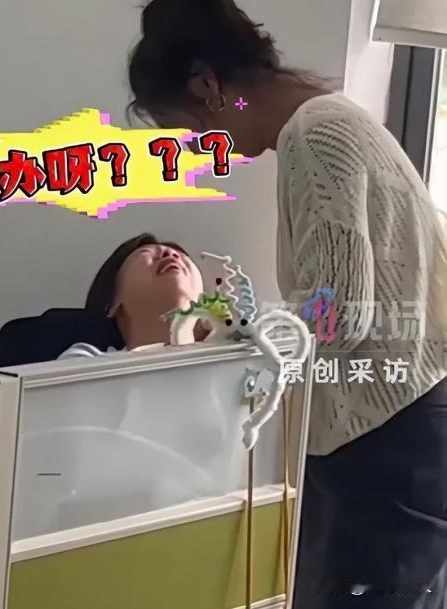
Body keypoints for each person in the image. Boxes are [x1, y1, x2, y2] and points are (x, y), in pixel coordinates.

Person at [126, 1, 447, 608]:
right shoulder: (336, 123)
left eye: (190, 130)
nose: (205, 148)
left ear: (207, 86)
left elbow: (338, 315)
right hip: (405, 431)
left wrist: (240, 338)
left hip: (385, 443)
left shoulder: (315, 135)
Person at [60, 232, 205, 358]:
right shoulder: (84, 360)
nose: (170, 254)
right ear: (113, 302)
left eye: (180, 255)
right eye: (145, 253)